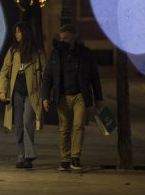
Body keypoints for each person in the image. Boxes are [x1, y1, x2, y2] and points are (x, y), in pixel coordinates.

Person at [42, 24, 103, 171]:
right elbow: (48, 76)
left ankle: (75, 157)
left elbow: (94, 77)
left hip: (80, 95)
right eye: (61, 38)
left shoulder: (85, 53)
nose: (63, 41)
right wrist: (45, 97)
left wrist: (98, 98)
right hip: (62, 95)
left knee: (78, 125)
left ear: (74, 38)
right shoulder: (55, 54)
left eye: (67, 39)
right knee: (64, 129)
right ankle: (64, 158)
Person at [0, 22, 46, 169]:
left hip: (33, 93)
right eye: (15, 32)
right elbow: (4, 71)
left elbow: (45, 74)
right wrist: (2, 90)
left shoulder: (37, 52)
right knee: (18, 125)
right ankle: (21, 156)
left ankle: (29, 156)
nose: (17, 35)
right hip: (16, 92)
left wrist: (45, 96)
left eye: (19, 32)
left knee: (27, 122)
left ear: (26, 33)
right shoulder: (13, 51)